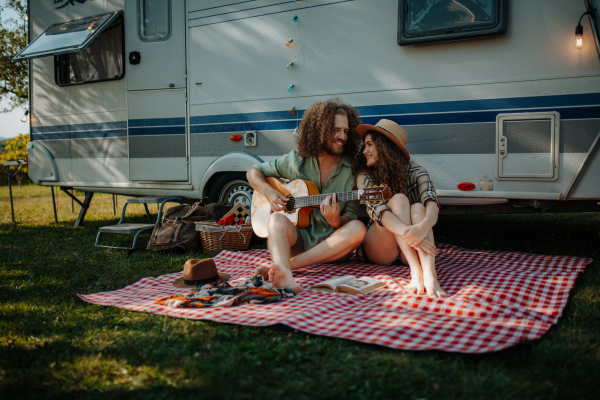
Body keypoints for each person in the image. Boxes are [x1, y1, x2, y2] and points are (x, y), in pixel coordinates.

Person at [247, 99, 367, 293]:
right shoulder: (297, 161)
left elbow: (351, 216)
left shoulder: (352, 170)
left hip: (334, 246)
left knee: (358, 228)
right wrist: (269, 192)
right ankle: (284, 273)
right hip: (299, 239)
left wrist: (336, 221)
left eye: (346, 131)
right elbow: (254, 172)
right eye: (336, 130)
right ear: (321, 129)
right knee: (276, 218)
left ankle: (284, 268)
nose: (342, 136)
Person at [352, 119, 447, 298]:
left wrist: (424, 226)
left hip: (408, 247)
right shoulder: (365, 176)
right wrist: (410, 233)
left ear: (385, 146)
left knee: (419, 207)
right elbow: (378, 212)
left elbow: (432, 202)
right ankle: (416, 272)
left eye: (370, 145)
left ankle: (429, 274)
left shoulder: (416, 171)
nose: (364, 151)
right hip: (381, 247)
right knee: (399, 200)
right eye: (365, 146)